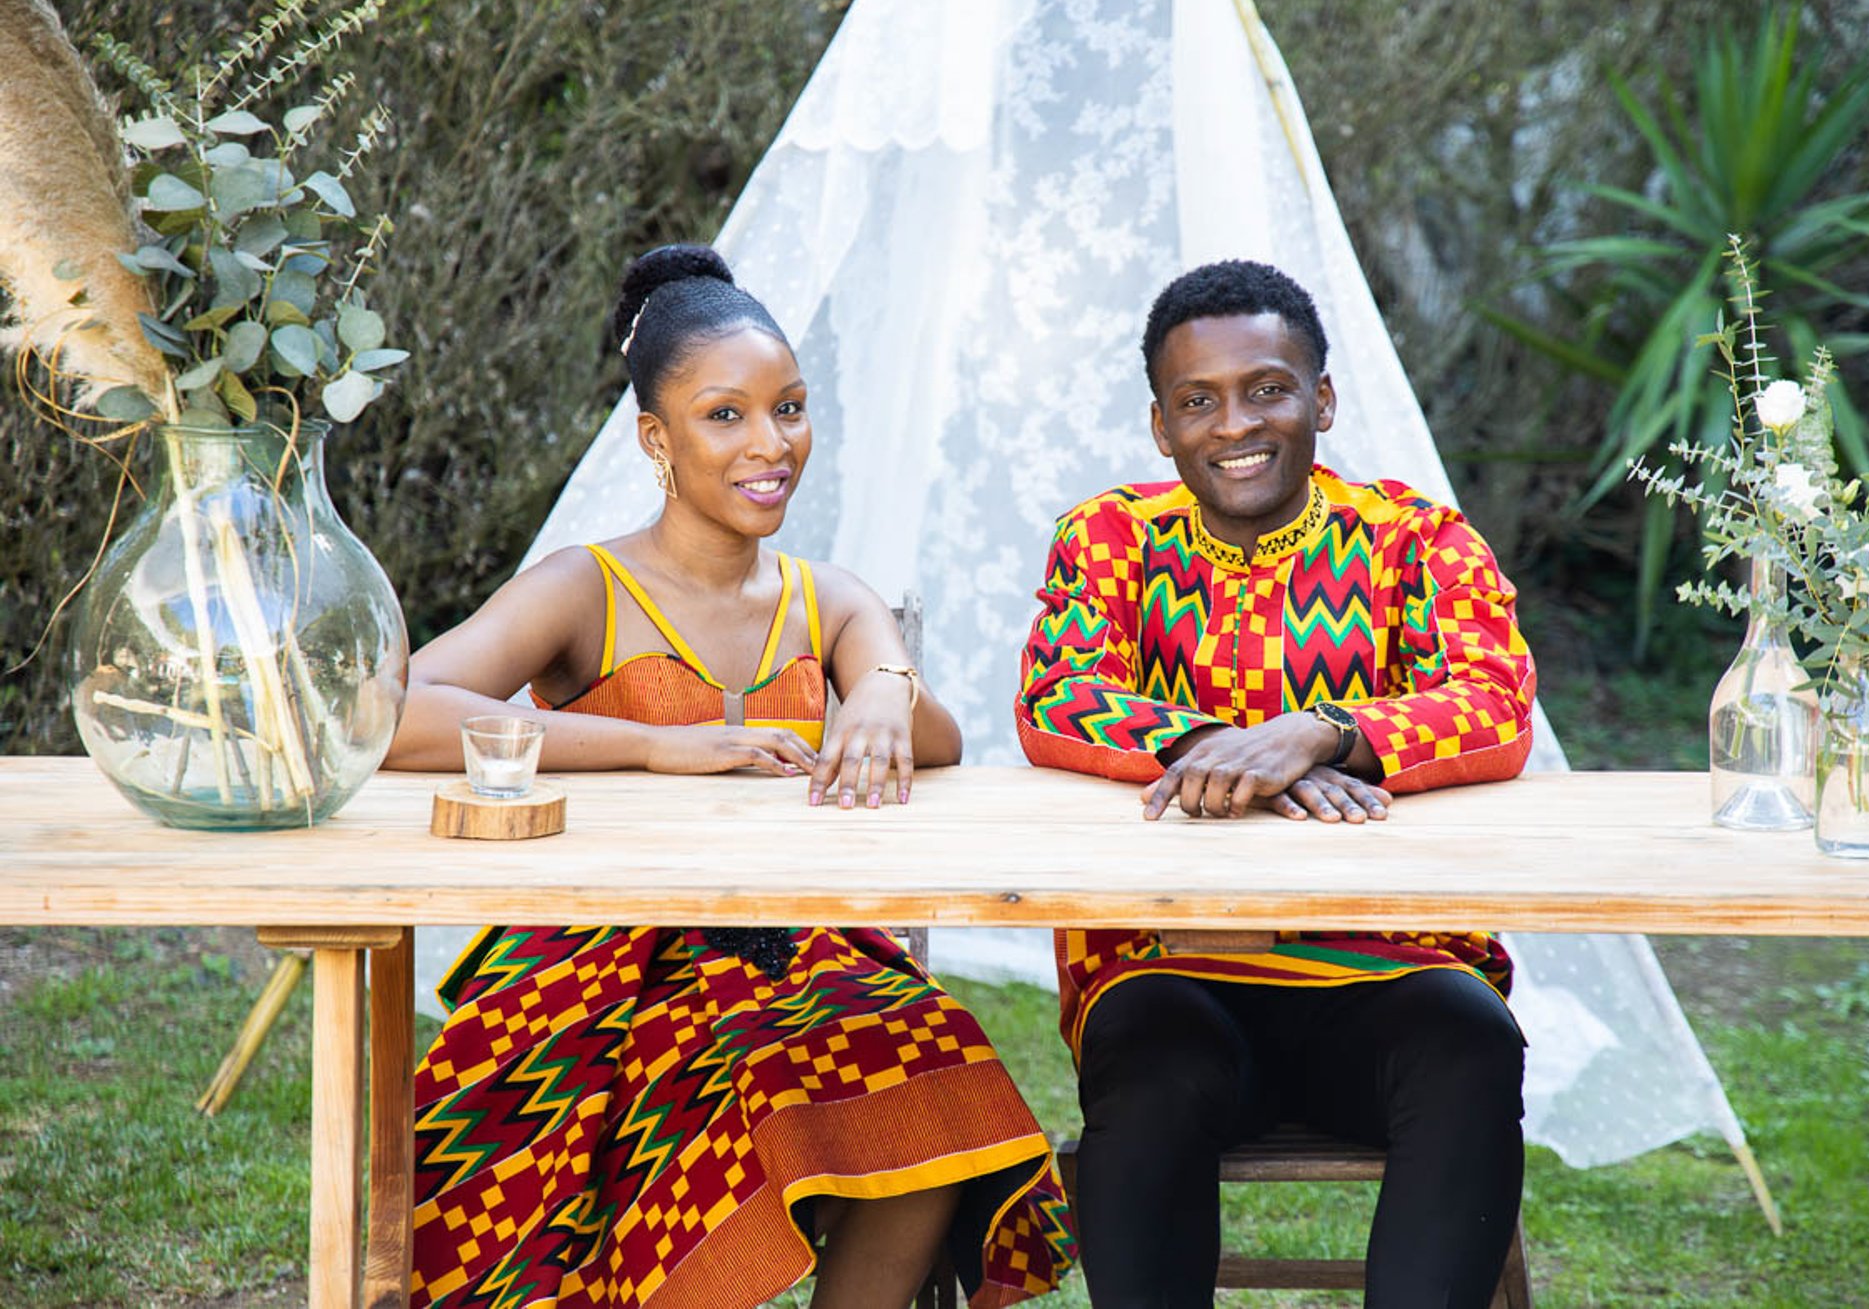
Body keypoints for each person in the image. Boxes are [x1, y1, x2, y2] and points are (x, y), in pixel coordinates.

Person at [386, 244, 1071, 1309]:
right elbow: (392, 715)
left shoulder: (822, 594)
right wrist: (654, 743)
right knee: (704, 1083)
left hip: (792, 950)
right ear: (655, 438)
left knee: (940, 1071)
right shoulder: (584, 586)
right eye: (727, 415)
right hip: (597, 964)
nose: (771, 444)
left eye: (789, 408)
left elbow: (927, 730)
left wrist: (885, 684)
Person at [1015, 259, 1534, 1307]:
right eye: (1196, 400)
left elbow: (1495, 697)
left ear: (1321, 399)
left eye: (1265, 388)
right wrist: (1224, 743)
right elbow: (1054, 694)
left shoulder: (1412, 538)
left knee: (1472, 1042)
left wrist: (1322, 731)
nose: (1232, 422)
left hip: (1389, 964)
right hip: (1168, 963)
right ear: (1160, 426)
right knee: (1147, 1062)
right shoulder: (1109, 538)